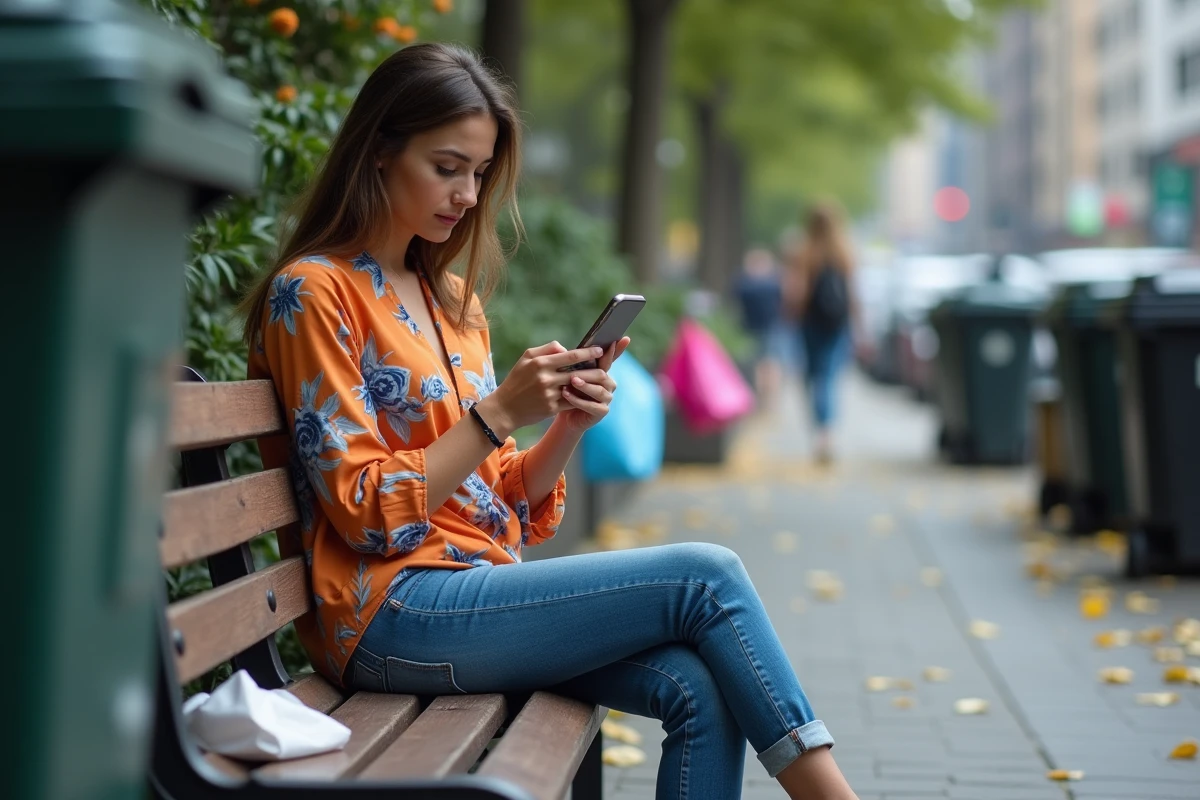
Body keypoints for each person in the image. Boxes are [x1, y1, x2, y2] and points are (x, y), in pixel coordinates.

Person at [241, 43, 858, 800]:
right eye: (447, 167)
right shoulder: (314, 294)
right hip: (387, 612)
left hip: (475, 590)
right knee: (708, 576)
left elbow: (503, 499)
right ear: (377, 152)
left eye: (479, 173)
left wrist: (564, 424)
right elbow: (366, 514)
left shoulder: (452, 299)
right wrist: (501, 410)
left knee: (700, 685)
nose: (467, 195)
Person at [784, 203, 863, 465]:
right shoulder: (845, 252)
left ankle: (821, 432)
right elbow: (853, 294)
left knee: (813, 375)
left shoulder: (803, 252)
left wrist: (791, 313)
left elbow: (797, 292)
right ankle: (827, 433)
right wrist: (860, 327)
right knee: (828, 376)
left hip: (810, 322)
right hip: (837, 324)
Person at [733, 247, 787, 409]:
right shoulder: (774, 283)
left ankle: (762, 398)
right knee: (770, 364)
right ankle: (769, 399)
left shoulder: (744, 284)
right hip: (770, 328)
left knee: (761, 365)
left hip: (753, 328)